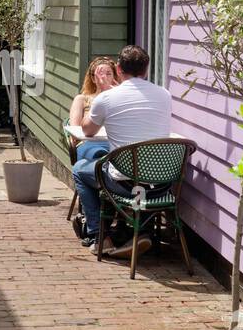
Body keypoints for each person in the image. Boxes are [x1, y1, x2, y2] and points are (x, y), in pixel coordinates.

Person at [73, 45, 172, 251]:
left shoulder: (106, 98)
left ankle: (100, 236)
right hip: (161, 184)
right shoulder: (164, 94)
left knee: (81, 170)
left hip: (126, 185)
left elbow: (87, 130)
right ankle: (136, 231)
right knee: (131, 175)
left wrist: (102, 96)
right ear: (146, 70)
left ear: (118, 69)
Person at [68, 56, 118, 163]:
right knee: (99, 154)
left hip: (113, 142)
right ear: (93, 78)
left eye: (109, 73)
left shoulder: (120, 99)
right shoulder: (82, 99)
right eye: (100, 74)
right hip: (89, 143)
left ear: (114, 77)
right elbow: (75, 132)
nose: (104, 77)